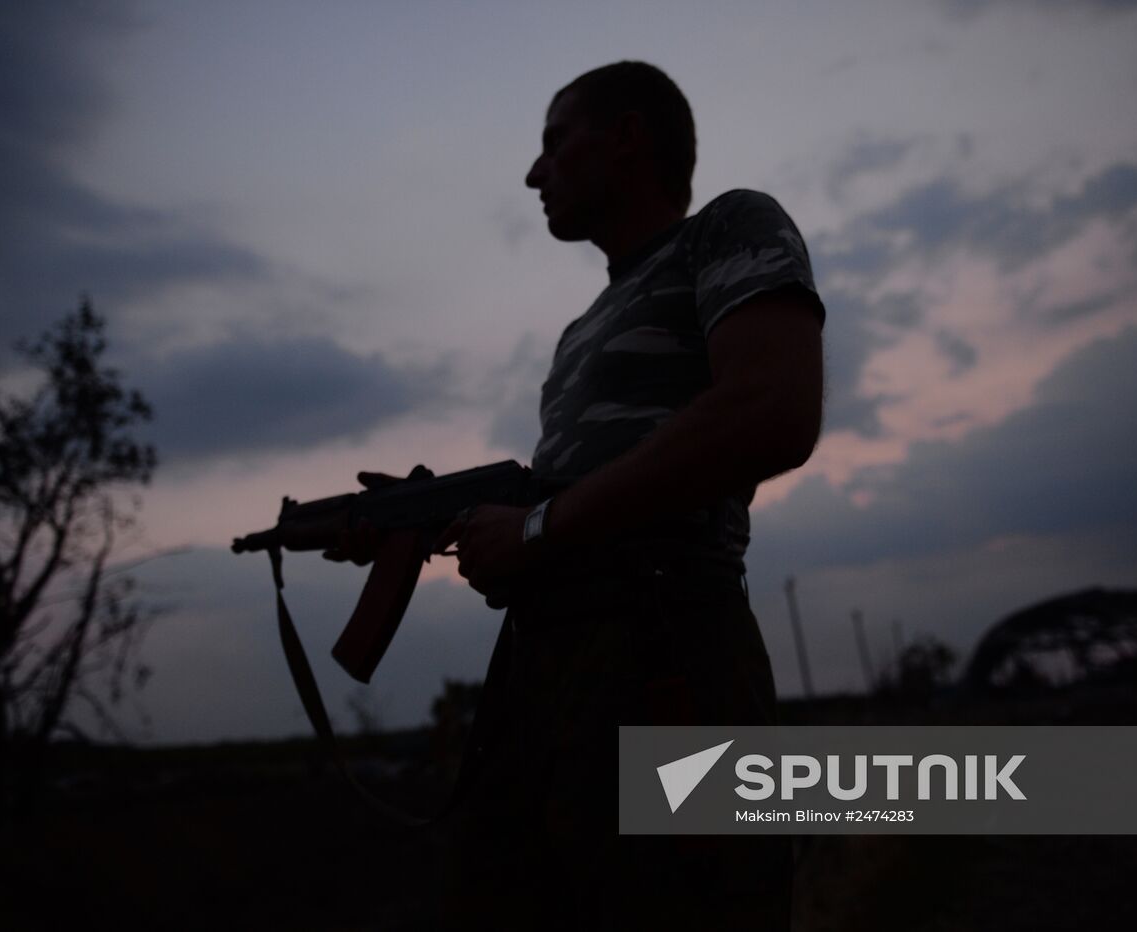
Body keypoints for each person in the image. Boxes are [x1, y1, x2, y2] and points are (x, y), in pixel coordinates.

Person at [338, 61, 824, 930]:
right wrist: (436, 529)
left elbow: (772, 409)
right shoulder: (578, 332)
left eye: (555, 142)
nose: (534, 173)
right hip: (544, 676)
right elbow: (566, 503)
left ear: (628, 137)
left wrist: (533, 528)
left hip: (669, 655)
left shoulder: (729, 226)